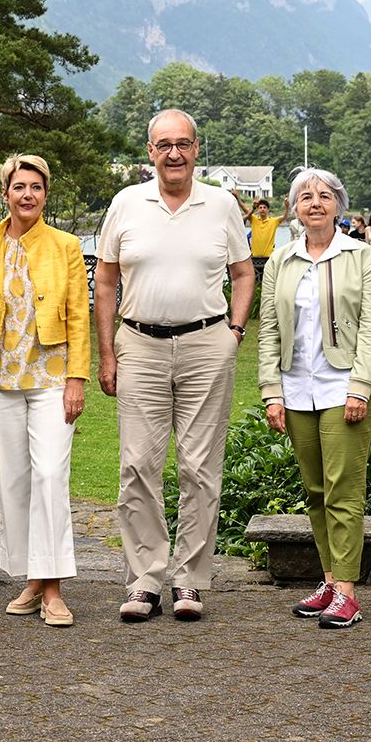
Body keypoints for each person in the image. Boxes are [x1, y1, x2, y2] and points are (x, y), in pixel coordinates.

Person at [96, 109, 254, 622]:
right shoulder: (126, 203)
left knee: (199, 467)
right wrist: (106, 352)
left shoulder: (221, 204)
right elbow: (105, 282)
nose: (174, 154)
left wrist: (234, 332)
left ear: (196, 149)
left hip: (206, 345)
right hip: (139, 345)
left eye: (183, 144)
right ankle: (144, 580)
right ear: (150, 152)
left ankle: (189, 580)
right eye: (164, 145)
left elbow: (244, 272)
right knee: (138, 465)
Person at [257, 168, 371, 629]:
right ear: (294, 207)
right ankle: (330, 582)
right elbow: (269, 329)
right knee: (315, 491)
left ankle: (348, 593)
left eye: (325, 195)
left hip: (344, 388)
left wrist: (360, 387)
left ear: (338, 205)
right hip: (297, 389)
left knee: (342, 490)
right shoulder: (281, 260)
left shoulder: (362, 256)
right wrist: (271, 392)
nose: (315, 202)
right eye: (306, 196)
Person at [0, 153, 90, 628]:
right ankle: (33, 579)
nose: (28, 194)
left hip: (52, 379)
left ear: (45, 194)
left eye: (36, 187)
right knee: (14, 481)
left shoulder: (65, 246)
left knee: (50, 477)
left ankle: (54, 588)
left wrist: (77, 378)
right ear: (5, 193)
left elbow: (78, 315)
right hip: (1, 380)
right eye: (19, 186)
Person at [245, 196, 286, 275]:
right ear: (258, 210)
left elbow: (284, 217)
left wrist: (286, 207)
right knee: (255, 279)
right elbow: (246, 211)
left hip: (268, 257)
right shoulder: (254, 219)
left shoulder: (273, 221)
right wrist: (238, 198)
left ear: (268, 210)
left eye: (264, 207)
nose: (262, 209)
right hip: (254, 258)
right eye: (260, 208)